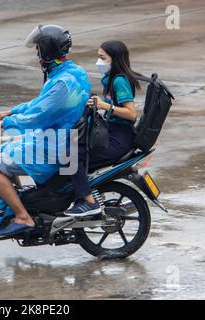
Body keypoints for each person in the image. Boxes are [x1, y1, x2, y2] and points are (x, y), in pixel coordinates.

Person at [0, 25, 91, 237]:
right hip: (56, 138)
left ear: (47, 50)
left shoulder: (61, 83)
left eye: (39, 49)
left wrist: (1, 124)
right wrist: (11, 111)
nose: (37, 53)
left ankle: (23, 217)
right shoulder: (74, 72)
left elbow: (38, 116)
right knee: (4, 151)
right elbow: (40, 103)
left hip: (53, 144)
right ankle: (23, 203)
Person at [65, 40, 145, 216]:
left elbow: (131, 114)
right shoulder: (111, 79)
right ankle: (80, 195)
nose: (98, 62)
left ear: (114, 60)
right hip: (112, 133)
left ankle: (89, 202)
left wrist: (105, 106)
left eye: (102, 58)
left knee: (71, 157)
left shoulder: (119, 81)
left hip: (119, 138)